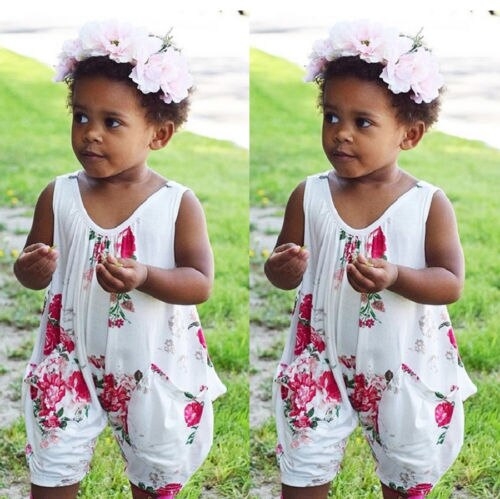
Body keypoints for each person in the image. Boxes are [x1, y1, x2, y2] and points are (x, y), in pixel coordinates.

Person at [13, 19, 226, 499]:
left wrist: (145, 274)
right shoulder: (59, 195)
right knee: (53, 465)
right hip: (67, 358)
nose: (90, 133)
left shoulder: (176, 204)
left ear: (159, 134)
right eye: (80, 117)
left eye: (112, 123)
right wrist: (31, 268)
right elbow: (31, 270)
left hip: (150, 364)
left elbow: (200, 282)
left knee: (155, 471)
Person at [264, 20, 477, 499]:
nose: (341, 134)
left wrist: (396, 275)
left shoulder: (427, 204)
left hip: (401, 365)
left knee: (405, 472)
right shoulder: (309, 195)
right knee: (303, 467)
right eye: (331, 117)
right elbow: (282, 271)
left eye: (362, 123)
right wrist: (282, 269)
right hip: (318, 360)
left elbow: (450, 282)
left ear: (410, 134)